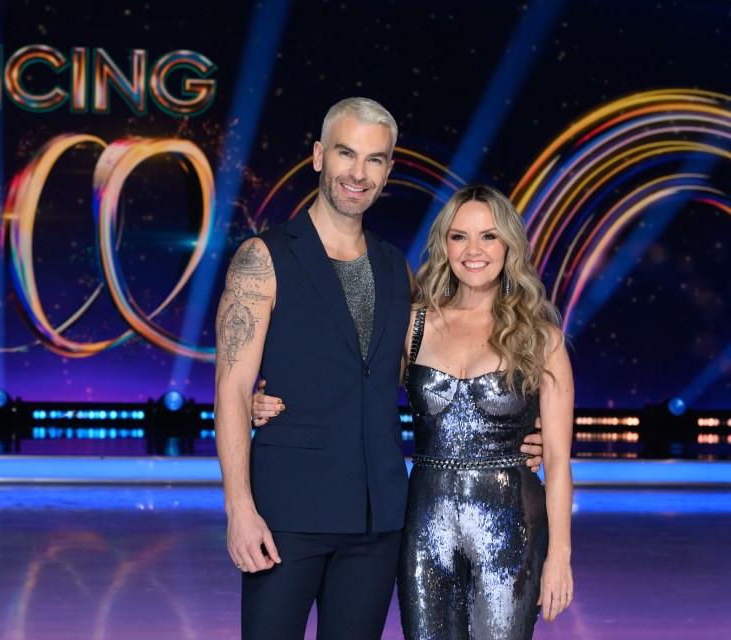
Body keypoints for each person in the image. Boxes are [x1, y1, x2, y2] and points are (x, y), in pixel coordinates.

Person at [214, 98, 544, 639]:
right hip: (285, 515)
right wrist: (239, 509)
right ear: (319, 156)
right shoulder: (264, 257)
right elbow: (230, 388)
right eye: (346, 153)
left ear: (389, 170)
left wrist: (518, 435)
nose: (358, 173)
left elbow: (413, 372)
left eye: (375, 159)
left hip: (377, 521)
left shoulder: (395, 266)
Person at [399, 184, 573, 638]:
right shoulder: (413, 324)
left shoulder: (541, 337)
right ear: (444, 245)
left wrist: (560, 557)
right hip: (423, 527)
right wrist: (266, 400)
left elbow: (556, 460)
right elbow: (351, 392)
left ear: (509, 245)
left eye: (489, 237)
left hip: (510, 526)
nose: (473, 250)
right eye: (459, 237)